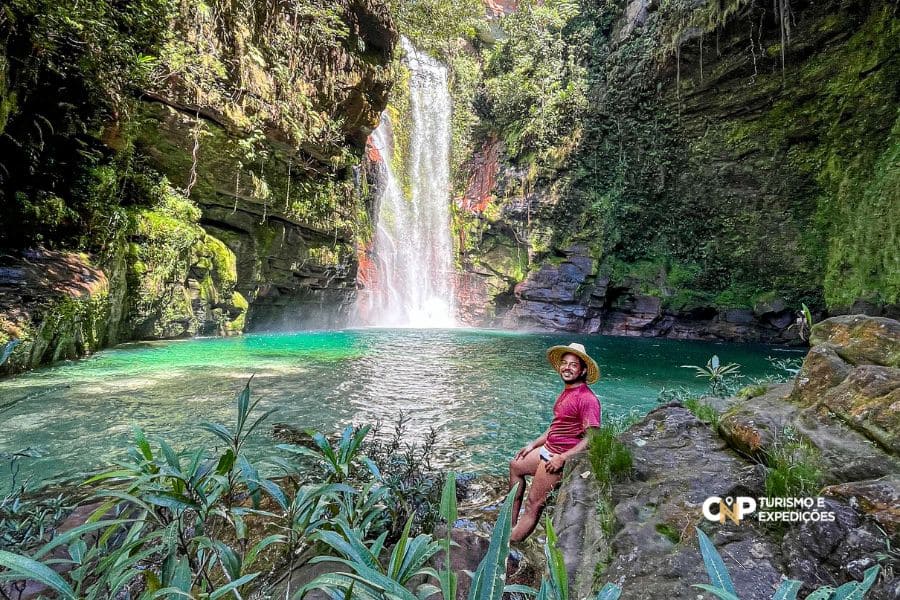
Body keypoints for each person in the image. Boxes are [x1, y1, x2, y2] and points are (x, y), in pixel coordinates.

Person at [509, 342, 601, 542]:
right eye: (564, 363)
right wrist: (533, 444)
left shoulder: (587, 399)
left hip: (557, 456)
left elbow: (593, 436)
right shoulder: (567, 391)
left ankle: (509, 544)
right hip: (547, 448)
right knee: (515, 466)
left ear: (583, 370)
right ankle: (509, 525)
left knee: (533, 504)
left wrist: (563, 458)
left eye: (573, 365)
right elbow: (556, 426)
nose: (567, 367)